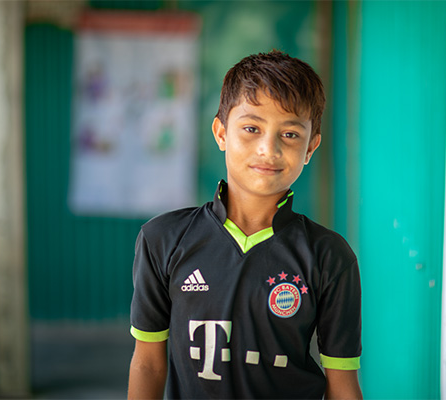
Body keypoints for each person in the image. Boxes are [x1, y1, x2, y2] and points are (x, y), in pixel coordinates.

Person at [128, 50, 362, 399]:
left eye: (291, 135)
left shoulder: (329, 255)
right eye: (251, 128)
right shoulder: (163, 239)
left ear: (311, 146)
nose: (268, 150)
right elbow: (148, 363)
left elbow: (342, 383)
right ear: (221, 133)